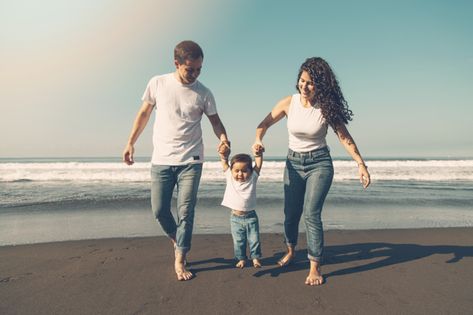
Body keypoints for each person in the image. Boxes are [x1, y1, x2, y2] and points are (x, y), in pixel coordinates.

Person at [252, 57, 370, 286]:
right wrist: (258, 140)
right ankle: (290, 250)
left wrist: (360, 164)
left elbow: (345, 138)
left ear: (321, 85)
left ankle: (314, 265)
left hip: (320, 164)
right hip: (293, 164)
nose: (304, 87)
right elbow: (263, 124)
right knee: (291, 213)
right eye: (302, 81)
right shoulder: (289, 103)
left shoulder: (326, 109)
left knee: (311, 213)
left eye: (310, 83)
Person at [123, 40, 230, 281]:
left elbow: (216, 122)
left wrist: (224, 138)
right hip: (161, 159)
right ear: (177, 63)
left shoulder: (204, 92)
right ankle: (177, 239)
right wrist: (131, 142)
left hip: (191, 159)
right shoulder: (158, 83)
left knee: (186, 211)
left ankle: (180, 257)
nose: (195, 74)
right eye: (190, 69)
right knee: (159, 210)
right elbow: (143, 114)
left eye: (199, 69)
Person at [220, 150, 263, 269]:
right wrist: (224, 155)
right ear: (231, 171)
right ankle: (241, 259)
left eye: (244, 171)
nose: (240, 174)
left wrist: (258, 154)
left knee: (254, 239)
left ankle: (255, 258)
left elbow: (258, 164)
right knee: (239, 241)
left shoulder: (253, 178)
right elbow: (224, 162)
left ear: (250, 171)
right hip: (235, 218)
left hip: (251, 217)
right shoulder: (230, 177)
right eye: (237, 171)